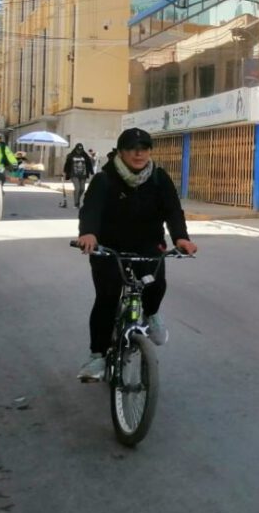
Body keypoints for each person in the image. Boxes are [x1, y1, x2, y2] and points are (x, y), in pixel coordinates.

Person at [75, 127, 198, 382]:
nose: (138, 153)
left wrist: (181, 238)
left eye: (144, 148)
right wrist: (89, 234)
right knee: (107, 298)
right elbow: (91, 209)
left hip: (147, 245)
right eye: (132, 148)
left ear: (150, 152)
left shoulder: (159, 178)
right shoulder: (105, 179)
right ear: (121, 152)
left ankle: (151, 313)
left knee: (156, 284)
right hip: (108, 247)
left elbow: (173, 211)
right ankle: (97, 356)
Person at [63, 143, 94, 207]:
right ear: (75, 149)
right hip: (74, 174)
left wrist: (91, 172)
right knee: (77, 188)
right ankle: (76, 203)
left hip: (83, 175)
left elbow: (89, 164)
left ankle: (77, 198)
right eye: (78, 150)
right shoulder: (71, 155)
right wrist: (65, 172)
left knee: (82, 189)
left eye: (81, 150)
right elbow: (67, 165)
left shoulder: (85, 156)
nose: (79, 151)